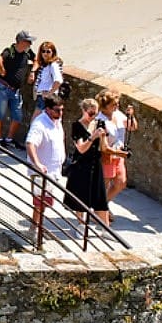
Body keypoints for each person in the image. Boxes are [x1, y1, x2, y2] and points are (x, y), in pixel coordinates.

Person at [64, 97, 111, 227]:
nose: (92, 116)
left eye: (95, 114)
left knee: (100, 197)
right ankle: (80, 224)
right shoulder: (77, 126)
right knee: (81, 196)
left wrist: (103, 137)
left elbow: (103, 147)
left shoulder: (99, 123)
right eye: (90, 113)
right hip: (82, 164)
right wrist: (93, 136)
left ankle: (106, 228)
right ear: (83, 111)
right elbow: (81, 148)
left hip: (96, 163)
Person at [25, 93, 66, 236]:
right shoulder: (39, 124)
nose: (60, 113)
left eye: (62, 110)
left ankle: (38, 226)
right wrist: (37, 164)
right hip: (41, 171)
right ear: (48, 109)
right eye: (57, 110)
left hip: (53, 170)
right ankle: (34, 229)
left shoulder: (56, 121)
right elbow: (30, 144)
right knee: (39, 202)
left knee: (46, 201)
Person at [0, 30, 36, 147]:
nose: (30, 44)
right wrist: (2, 71)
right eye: (28, 41)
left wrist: (32, 71)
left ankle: (9, 139)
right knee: (0, 113)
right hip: (3, 87)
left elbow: (37, 59)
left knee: (17, 116)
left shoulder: (27, 52)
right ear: (21, 42)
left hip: (15, 90)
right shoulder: (9, 51)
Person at [96, 89, 138, 204]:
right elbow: (102, 145)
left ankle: (103, 206)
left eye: (117, 103)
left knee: (121, 182)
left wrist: (131, 116)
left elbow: (132, 127)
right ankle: (100, 210)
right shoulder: (100, 120)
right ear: (105, 106)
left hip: (118, 155)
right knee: (104, 185)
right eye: (114, 104)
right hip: (107, 156)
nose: (116, 106)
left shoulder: (118, 114)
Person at [32, 41, 64, 109]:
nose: (45, 53)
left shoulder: (53, 65)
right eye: (43, 51)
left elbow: (58, 81)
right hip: (41, 97)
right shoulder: (44, 65)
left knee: (38, 119)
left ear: (53, 52)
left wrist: (49, 93)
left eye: (48, 51)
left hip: (47, 99)